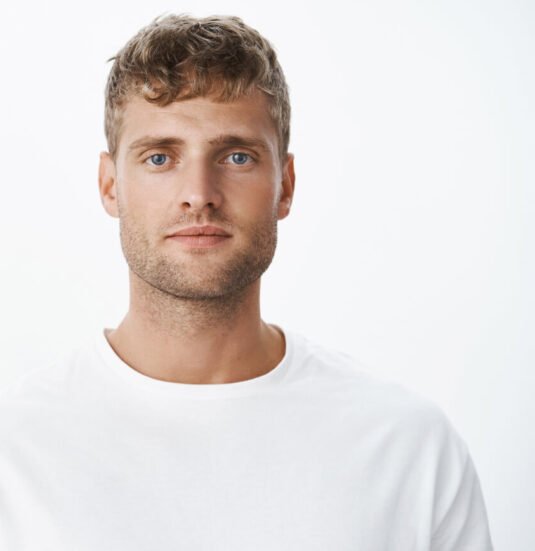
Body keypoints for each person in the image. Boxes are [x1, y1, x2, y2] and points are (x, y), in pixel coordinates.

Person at [0, 13, 494, 551]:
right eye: (160, 157)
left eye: (237, 156)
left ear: (285, 186)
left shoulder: (407, 449)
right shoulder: (18, 453)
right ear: (110, 185)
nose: (198, 193)